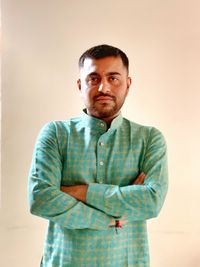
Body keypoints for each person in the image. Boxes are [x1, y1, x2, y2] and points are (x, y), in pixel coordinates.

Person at [28, 44, 168, 267]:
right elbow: (41, 199)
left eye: (113, 78)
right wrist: (112, 218)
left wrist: (80, 192)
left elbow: (151, 202)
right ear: (79, 85)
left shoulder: (149, 139)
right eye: (93, 78)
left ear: (128, 84)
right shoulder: (55, 134)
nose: (104, 87)